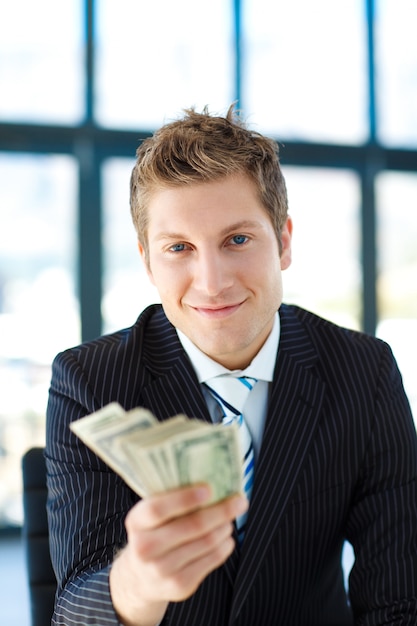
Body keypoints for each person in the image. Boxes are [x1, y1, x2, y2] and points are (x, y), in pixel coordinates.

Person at [45, 105, 417, 626]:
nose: (212, 281)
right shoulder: (88, 381)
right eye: (179, 248)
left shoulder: (365, 371)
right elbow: (73, 609)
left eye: (237, 240)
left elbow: (398, 600)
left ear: (283, 241)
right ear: (148, 261)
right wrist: (139, 584)